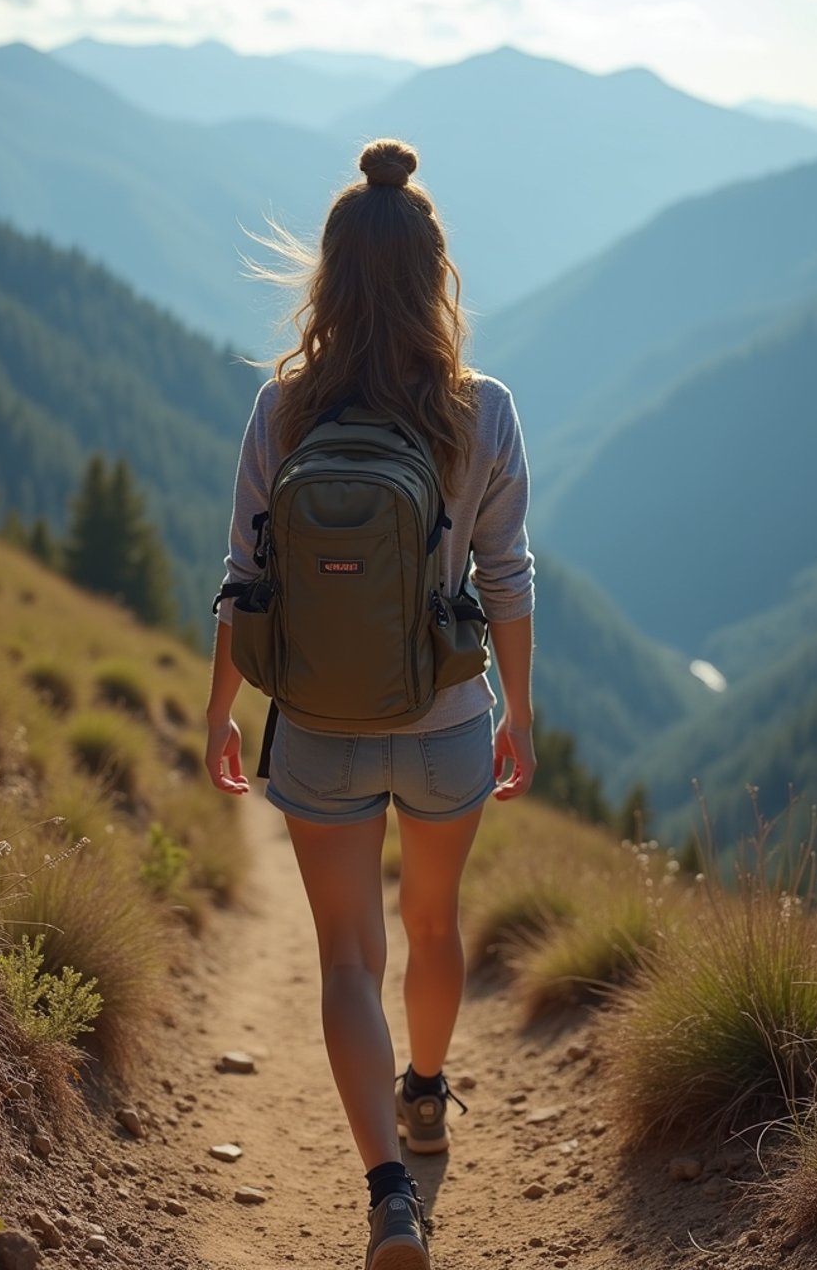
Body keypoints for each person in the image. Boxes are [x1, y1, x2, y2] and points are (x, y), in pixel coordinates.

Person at [205, 137, 537, 1270]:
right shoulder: (480, 410)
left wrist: (218, 716)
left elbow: (245, 579)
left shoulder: (283, 410)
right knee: (433, 924)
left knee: (348, 956)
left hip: (319, 732)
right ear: (436, 273)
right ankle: (428, 1093)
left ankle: (388, 1197)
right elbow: (507, 578)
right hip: (446, 726)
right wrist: (518, 714)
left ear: (327, 275)